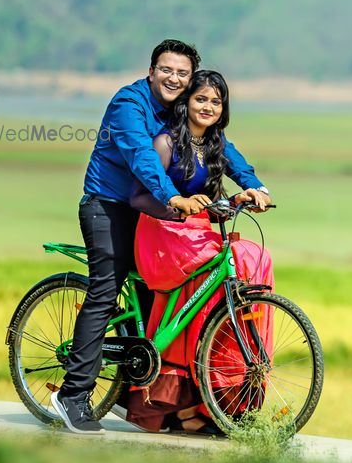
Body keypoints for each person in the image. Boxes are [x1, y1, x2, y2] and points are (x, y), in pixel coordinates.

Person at [51, 40, 271, 435]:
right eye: (166, 70)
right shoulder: (128, 105)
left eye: (182, 74)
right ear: (151, 70)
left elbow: (223, 147)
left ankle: (150, 398)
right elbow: (142, 157)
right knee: (106, 290)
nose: (174, 79)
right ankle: (73, 394)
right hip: (110, 206)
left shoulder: (179, 108)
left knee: (167, 298)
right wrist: (172, 196)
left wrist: (255, 186)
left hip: (157, 214)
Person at [124, 70, 272, 434]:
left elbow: (244, 172)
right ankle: (183, 394)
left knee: (254, 258)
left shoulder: (217, 145)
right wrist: (180, 206)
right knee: (218, 262)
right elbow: (138, 197)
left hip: (198, 234)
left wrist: (252, 192)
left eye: (216, 101)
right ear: (186, 102)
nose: (208, 106)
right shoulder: (166, 143)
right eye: (200, 98)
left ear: (224, 110)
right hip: (162, 233)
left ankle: (214, 391)